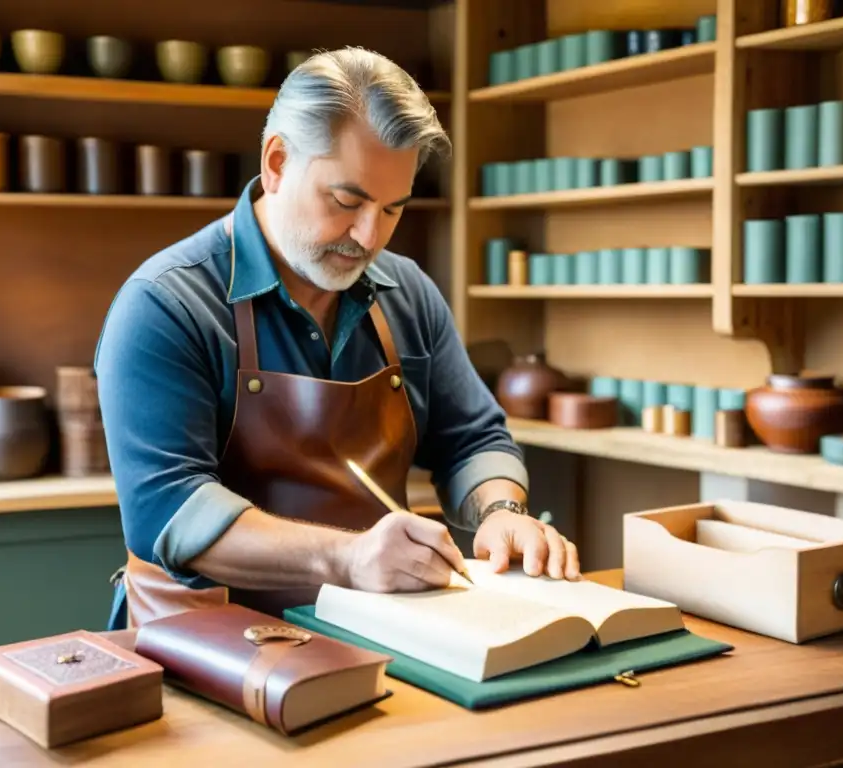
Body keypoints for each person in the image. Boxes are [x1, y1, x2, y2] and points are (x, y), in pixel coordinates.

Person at [95, 47, 580, 630]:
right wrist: (347, 558)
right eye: (346, 201)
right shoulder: (165, 304)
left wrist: (501, 511)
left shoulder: (407, 291)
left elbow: (473, 438)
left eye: (393, 209)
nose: (369, 235)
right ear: (276, 162)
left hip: (374, 633)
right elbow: (169, 513)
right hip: (203, 646)